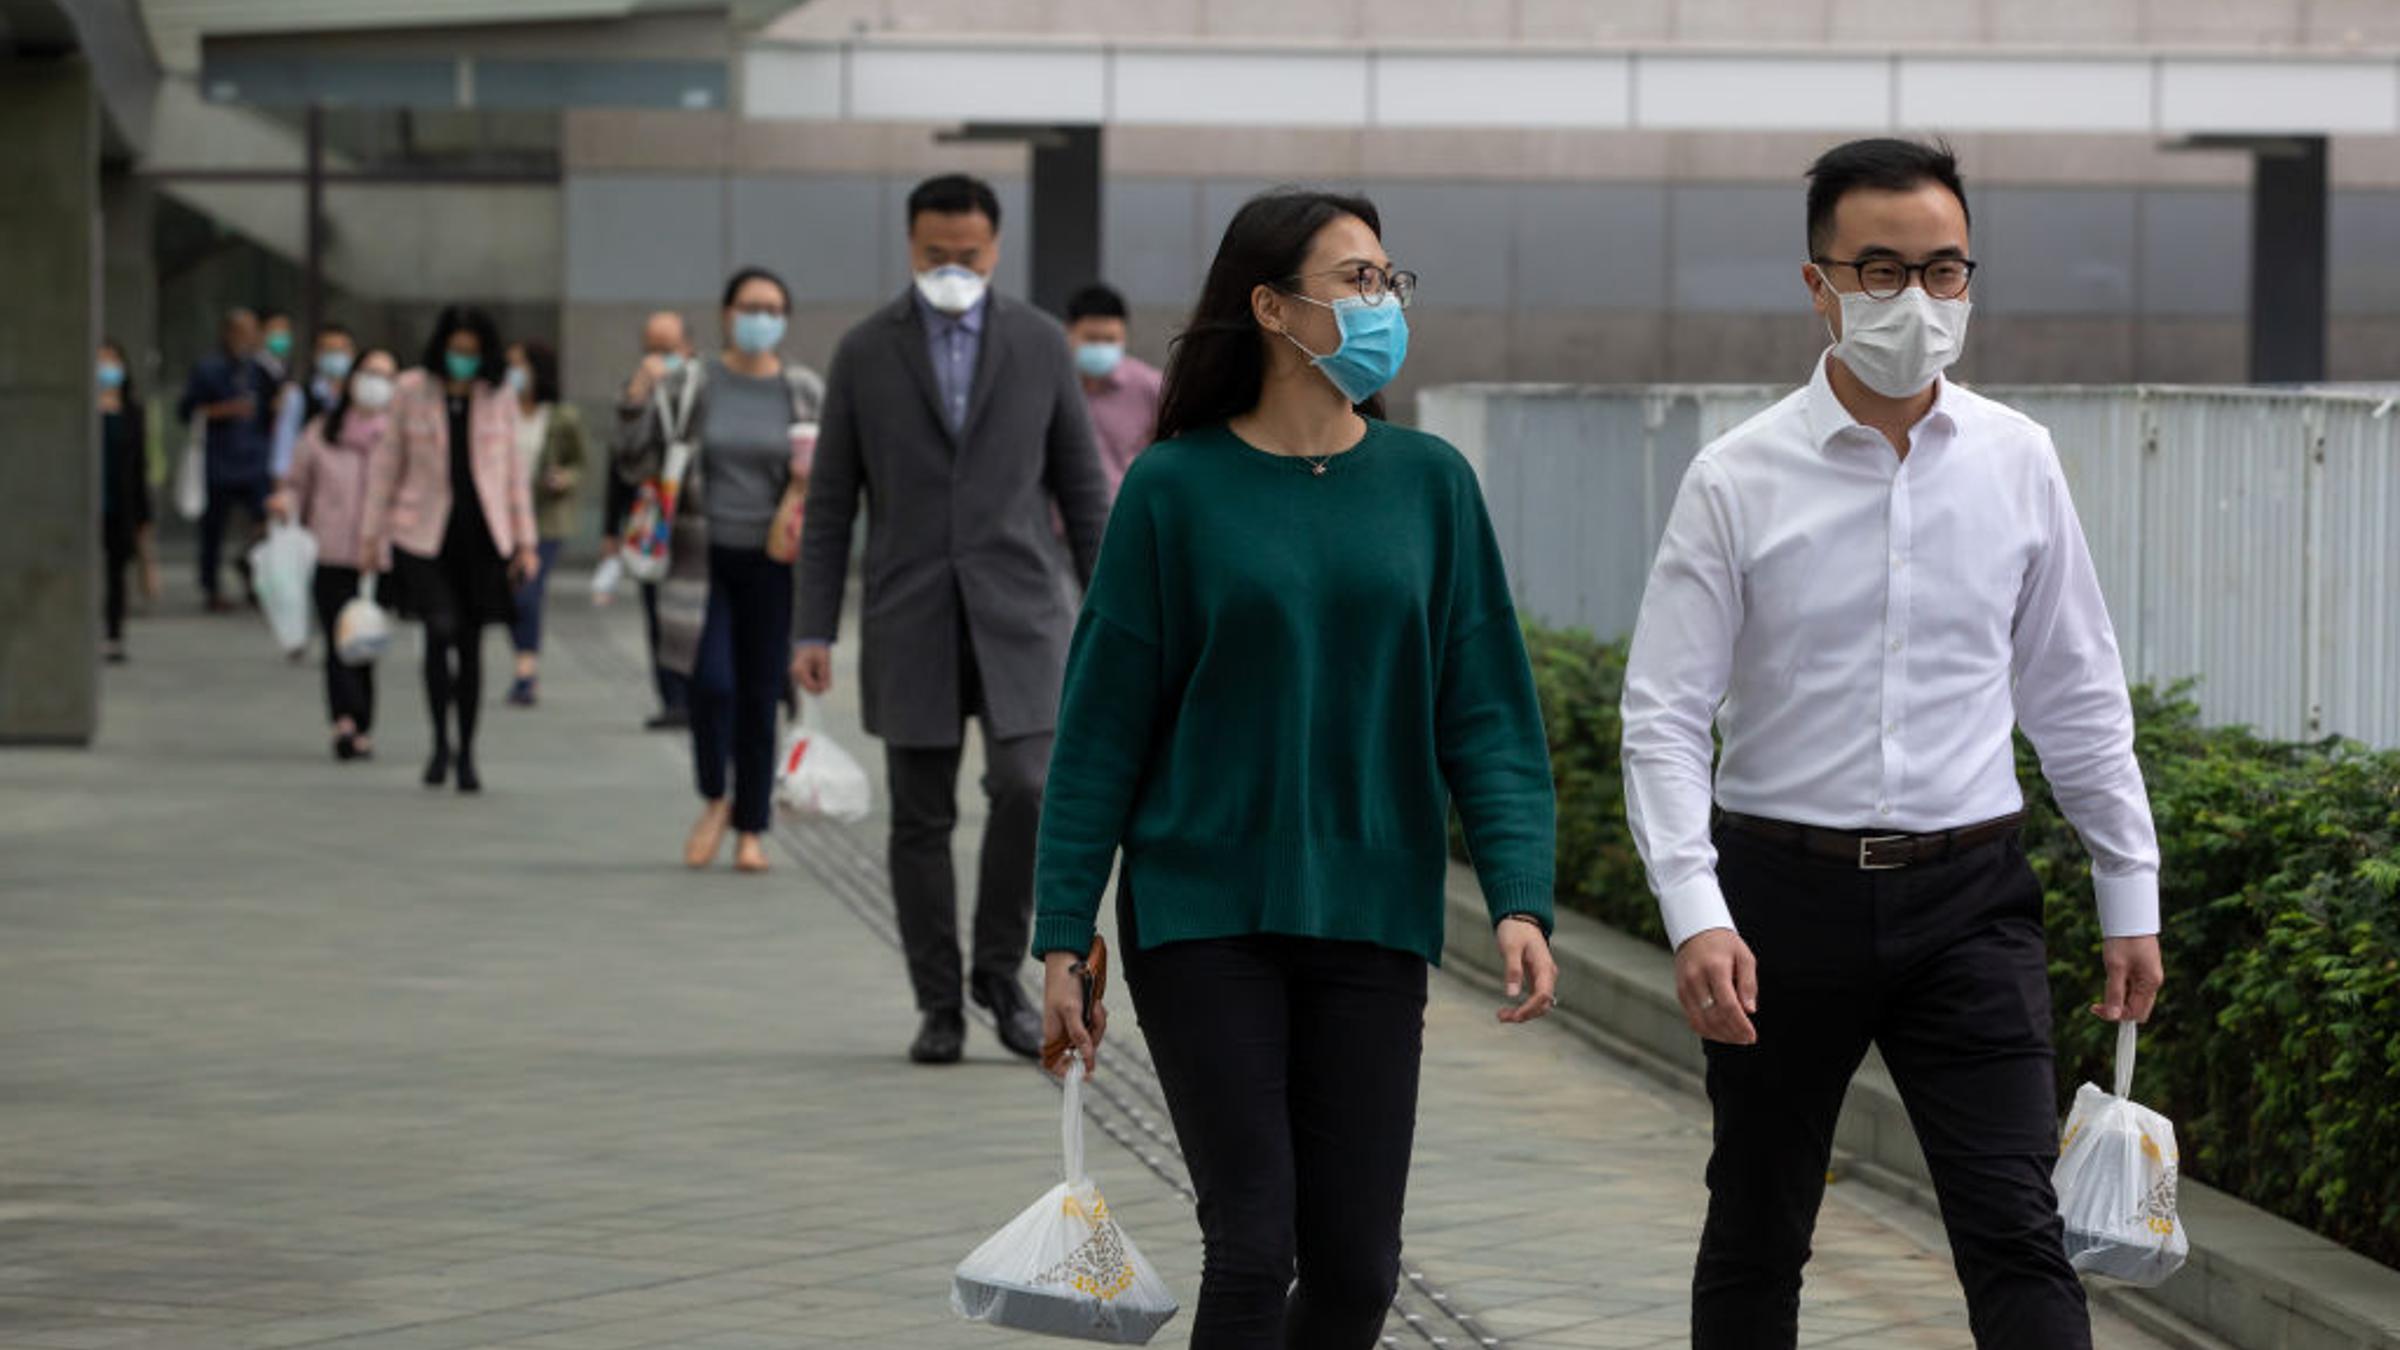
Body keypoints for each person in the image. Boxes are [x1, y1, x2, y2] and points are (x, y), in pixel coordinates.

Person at [1618, 138, 2166, 1350]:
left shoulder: (2018, 461)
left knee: (2018, 1230)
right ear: (1817, 282)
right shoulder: (1736, 478)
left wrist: (2129, 888)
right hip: (1778, 904)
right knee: (1758, 1224)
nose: (1915, 301)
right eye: (1879, 272)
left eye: (1943, 270)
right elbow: (1662, 713)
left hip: (1970, 900)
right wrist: (1695, 910)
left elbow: (2075, 689)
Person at [1032, 187, 1559, 1350]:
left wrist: (1521, 897)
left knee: (1361, 1269)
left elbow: (1488, 713)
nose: (1383, 302)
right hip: (1201, 915)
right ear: (1271, 307)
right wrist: (1062, 933)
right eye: (1356, 280)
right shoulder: (1173, 488)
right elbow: (1102, 728)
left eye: (1388, 280)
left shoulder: (1431, 485)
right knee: (1251, 1244)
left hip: (1372, 914)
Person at [795, 173, 1111, 1064]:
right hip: (910, 614)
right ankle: (938, 1003)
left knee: (1029, 788)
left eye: (968, 254)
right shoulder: (865, 351)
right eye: (935, 254)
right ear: (911, 247)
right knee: (919, 816)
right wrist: (811, 629)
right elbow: (829, 505)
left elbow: (1083, 494)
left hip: (1022, 615)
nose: (952, 268)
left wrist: (1115, 618)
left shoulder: (1041, 344)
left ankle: (996, 975)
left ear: (995, 248)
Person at [618, 267, 824, 874]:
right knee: (711, 684)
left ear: (785, 317)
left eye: (772, 306)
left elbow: (834, 477)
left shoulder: (803, 390)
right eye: (749, 305)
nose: (760, 317)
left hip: (774, 561)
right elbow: (633, 459)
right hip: (698, 556)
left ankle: (751, 828)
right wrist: (637, 394)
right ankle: (715, 797)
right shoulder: (690, 383)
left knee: (762, 694)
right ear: (727, 313)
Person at [360, 307, 538, 794]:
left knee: (472, 643)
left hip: (483, 536)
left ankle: (467, 750)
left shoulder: (498, 395)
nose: (463, 360)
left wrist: (526, 542)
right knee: (440, 632)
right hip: (422, 533)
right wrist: (370, 536)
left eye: (471, 352)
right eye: (456, 350)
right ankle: (439, 741)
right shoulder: (412, 390)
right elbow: (386, 465)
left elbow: (514, 476)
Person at [272, 347, 399, 761]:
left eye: (386, 375)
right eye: (370, 372)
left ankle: (362, 720)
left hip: (378, 556)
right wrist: (284, 503)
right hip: (330, 551)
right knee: (338, 638)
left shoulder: (398, 437)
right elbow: (295, 482)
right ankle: (344, 722)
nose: (376, 382)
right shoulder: (322, 432)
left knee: (366, 640)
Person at [613, 310, 698, 731]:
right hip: (655, 522)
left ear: (687, 349)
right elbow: (623, 464)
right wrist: (638, 394)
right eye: (650, 350)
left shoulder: (702, 387)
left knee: (695, 612)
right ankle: (672, 697)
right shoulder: (638, 393)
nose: (657, 359)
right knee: (656, 609)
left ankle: (697, 691)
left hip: (698, 524)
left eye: (666, 350)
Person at [503, 340, 588, 707]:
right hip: (504, 519)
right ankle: (523, 660)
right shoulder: (497, 411)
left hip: (545, 519)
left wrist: (564, 477)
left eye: (520, 365)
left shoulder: (560, 416)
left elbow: (580, 463)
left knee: (528, 592)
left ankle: (526, 671)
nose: (514, 373)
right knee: (509, 594)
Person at [177, 308, 276, 612]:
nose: (246, 338)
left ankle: (255, 573)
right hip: (219, 459)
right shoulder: (209, 369)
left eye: (251, 332)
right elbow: (187, 412)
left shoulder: (261, 369)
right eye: (240, 331)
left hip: (254, 458)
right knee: (214, 528)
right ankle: (211, 587)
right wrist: (225, 410)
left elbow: (275, 406)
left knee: (265, 520)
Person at [1064, 282, 1163, 498]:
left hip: (1123, 517)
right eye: (1091, 339)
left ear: (1124, 336)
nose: (1100, 347)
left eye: (1109, 340)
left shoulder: (1149, 387)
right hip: (1056, 526)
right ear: (1068, 331)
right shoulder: (1050, 384)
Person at [96, 340, 152, 665]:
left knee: (116, 572)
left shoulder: (132, 412)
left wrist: (144, 518)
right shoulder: (82, 410)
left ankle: (113, 634)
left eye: (111, 361)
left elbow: (138, 466)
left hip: (121, 504)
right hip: (88, 505)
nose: (107, 369)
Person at [272, 322, 357, 479]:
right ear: (316, 354)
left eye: (341, 350)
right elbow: (284, 446)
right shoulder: (298, 396)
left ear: (352, 354)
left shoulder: (359, 399)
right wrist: (281, 483)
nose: (336, 356)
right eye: (329, 350)